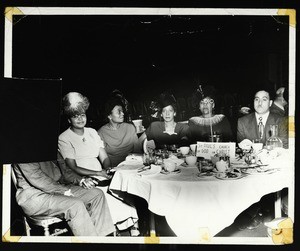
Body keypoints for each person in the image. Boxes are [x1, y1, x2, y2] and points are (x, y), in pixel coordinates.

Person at [58, 92, 139, 235]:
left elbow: (104, 157)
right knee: (107, 197)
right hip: (83, 179)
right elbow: (73, 167)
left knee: (121, 189)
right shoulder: (64, 137)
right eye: (75, 116)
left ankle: (131, 228)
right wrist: (98, 173)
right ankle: (109, 233)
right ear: (69, 119)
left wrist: (107, 169)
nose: (80, 118)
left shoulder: (92, 132)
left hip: (100, 174)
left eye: (82, 115)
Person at [12, 152, 115, 236]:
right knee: (75, 204)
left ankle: (100, 239)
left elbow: (65, 172)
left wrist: (81, 180)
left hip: (56, 189)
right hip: (35, 196)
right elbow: (38, 179)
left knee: (96, 194)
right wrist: (63, 191)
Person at [98, 90, 142, 167]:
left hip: (133, 165)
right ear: (109, 116)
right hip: (114, 168)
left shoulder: (130, 128)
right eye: (119, 112)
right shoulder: (101, 133)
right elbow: (104, 158)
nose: (123, 113)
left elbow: (137, 151)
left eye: (122, 111)